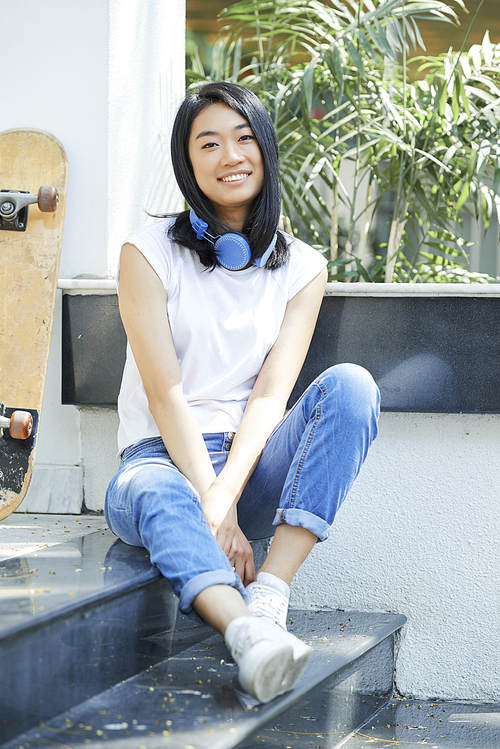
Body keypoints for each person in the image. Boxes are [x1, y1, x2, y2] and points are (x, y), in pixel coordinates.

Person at [105, 81, 380, 704]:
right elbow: (164, 389)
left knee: (351, 387)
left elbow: (269, 394)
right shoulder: (145, 254)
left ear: (265, 150)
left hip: (247, 468)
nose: (230, 154)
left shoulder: (303, 267)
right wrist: (210, 497)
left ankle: (270, 597)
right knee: (154, 488)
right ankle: (247, 638)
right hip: (157, 462)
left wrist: (228, 497)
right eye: (209, 143)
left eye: (244, 137)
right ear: (188, 163)